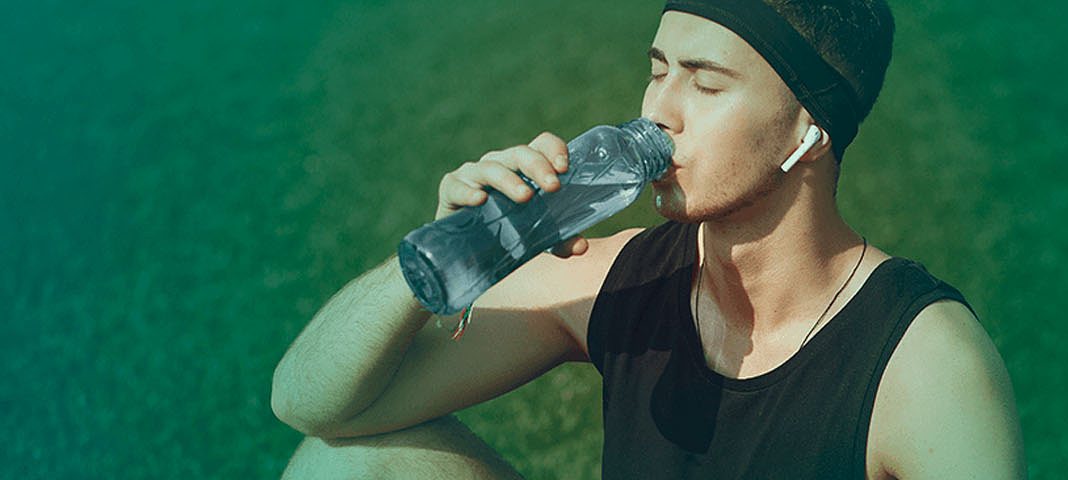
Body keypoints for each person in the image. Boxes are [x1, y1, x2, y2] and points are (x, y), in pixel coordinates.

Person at [271, 1, 1026, 478]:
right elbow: (316, 407)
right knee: (352, 465)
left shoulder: (925, 368)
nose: (658, 110)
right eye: (657, 70)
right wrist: (432, 257)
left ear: (809, 128)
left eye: (704, 83)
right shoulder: (617, 279)